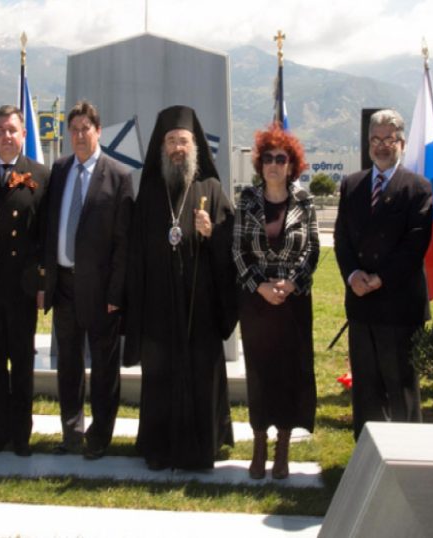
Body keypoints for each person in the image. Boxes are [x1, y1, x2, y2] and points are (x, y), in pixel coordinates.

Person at [126, 105, 236, 471]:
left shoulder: (212, 190)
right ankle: (159, 448)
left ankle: (204, 446)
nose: (177, 148)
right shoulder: (149, 194)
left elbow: (231, 249)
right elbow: (136, 256)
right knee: (159, 377)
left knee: (202, 375)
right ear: (161, 147)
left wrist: (212, 232)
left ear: (195, 146)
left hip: (200, 309)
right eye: (171, 140)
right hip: (158, 309)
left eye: (183, 141)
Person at [40, 100, 133, 460]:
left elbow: (123, 243)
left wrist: (116, 293)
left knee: (105, 367)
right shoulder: (60, 169)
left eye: (86, 129)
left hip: (100, 290)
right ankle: (72, 431)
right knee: (68, 363)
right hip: (63, 285)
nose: (79, 135)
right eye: (74, 129)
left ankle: (100, 435)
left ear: (98, 131)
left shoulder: (118, 175)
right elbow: (50, 227)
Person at [334, 109, 432, 441]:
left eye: (389, 139)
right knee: (366, 389)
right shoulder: (352, 185)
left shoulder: (418, 188)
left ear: (401, 142)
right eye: (375, 139)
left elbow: (415, 245)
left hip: (399, 307)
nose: (381, 146)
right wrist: (352, 275)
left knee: (401, 386)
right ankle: (367, 455)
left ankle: (406, 455)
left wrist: (380, 278)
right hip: (362, 305)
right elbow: (342, 239)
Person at [234, 123, 318, 478]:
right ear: (260, 163)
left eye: (280, 159)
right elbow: (238, 251)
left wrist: (291, 284)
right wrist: (261, 286)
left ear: (291, 164)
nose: (273, 164)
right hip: (257, 303)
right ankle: (259, 446)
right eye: (267, 158)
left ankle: (282, 447)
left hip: (293, 303)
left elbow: (312, 251)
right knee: (259, 373)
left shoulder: (305, 200)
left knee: (288, 373)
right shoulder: (247, 200)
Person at [0, 105, 50, 457]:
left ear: (23, 134)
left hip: (22, 287)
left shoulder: (41, 175)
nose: (7, 136)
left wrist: (41, 283)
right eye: (2, 130)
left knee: (22, 365)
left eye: (13, 130)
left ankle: (21, 435)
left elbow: (45, 235)